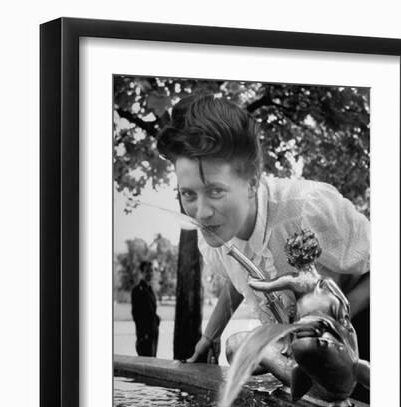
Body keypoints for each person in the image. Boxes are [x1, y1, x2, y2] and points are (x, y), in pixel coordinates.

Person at [156, 93, 370, 384]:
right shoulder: (211, 236)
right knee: (239, 349)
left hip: (361, 337)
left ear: (252, 180)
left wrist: (325, 326)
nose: (201, 212)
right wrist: (210, 335)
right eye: (188, 194)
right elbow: (239, 276)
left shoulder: (308, 208)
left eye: (216, 191)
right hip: (299, 348)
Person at [131, 260, 160, 357]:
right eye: (147, 271)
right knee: (146, 363)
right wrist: (143, 335)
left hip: (153, 333)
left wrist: (157, 319)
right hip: (145, 335)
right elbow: (136, 315)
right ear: (142, 273)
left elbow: (151, 310)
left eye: (152, 271)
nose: (150, 273)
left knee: (153, 361)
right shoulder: (137, 290)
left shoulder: (150, 289)